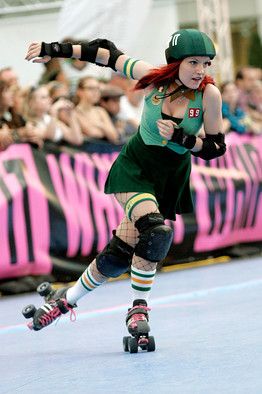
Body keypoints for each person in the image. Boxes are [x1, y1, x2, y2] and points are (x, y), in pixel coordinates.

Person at [23, 29, 226, 350]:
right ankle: (138, 308)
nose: (201, 70)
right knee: (156, 231)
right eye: (193, 63)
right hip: (136, 167)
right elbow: (105, 53)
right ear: (176, 62)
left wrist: (183, 139)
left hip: (171, 175)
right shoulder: (152, 78)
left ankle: (64, 301)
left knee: (121, 251)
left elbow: (215, 147)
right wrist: (53, 49)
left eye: (206, 63)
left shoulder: (209, 95)